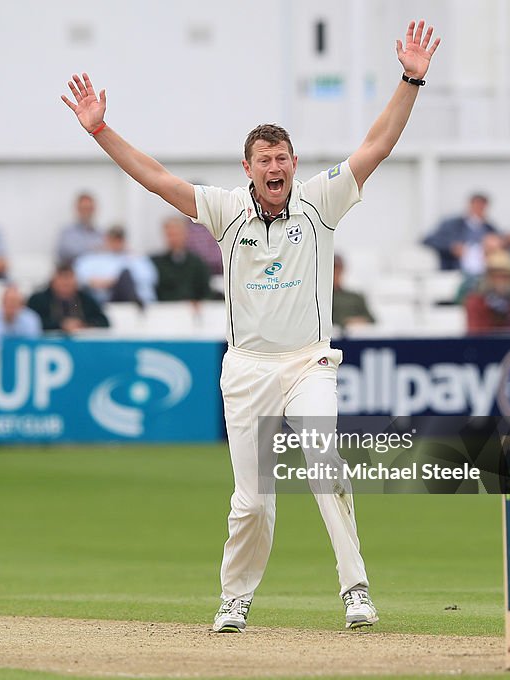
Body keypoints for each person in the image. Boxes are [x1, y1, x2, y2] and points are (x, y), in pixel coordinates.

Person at [61, 18, 440, 633]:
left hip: (308, 361)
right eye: (264, 159)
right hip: (247, 368)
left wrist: (410, 80)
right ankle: (235, 597)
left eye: (282, 158)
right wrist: (101, 129)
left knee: (326, 468)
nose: (275, 167)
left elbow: (377, 145)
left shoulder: (320, 200)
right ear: (248, 167)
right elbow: (158, 180)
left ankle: (356, 590)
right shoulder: (226, 209)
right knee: (252, 501)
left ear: (292, 163)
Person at [423, 192, 510, 273]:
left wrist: (505, 242)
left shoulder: (490, 228)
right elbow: (428, 240)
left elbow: (501, 247)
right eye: (476, 205)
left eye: (482, 206)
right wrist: (452, 248)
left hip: (484, 273)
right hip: (456, 271)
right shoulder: (451, 225)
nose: (479, 209)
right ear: (470, 205)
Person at [74, 226, 158, 304]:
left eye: (119, 239)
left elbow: (150, 279)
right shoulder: (93, 259)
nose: (116, 243)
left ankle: (134, 299)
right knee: (125, 275)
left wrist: (116, 281)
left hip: (130, 297)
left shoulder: (137, 259)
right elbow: (79, 278)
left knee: (125, 274)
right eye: (113, 239)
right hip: (105, 298)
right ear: (106, 239)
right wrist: (99, 282)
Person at [27, 263, 110, 333]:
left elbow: (104, 322)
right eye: (62, 278)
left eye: (69, 278)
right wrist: (61, 325)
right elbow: (32, 323)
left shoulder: (86, 300)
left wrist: (83, 324)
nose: (66, 283)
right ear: (53, 280)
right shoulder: (38, 300)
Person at [464, 250, 510, 335]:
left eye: (505, 277)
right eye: (496, 276)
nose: (500, 281)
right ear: (488, 278)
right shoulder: (475, 303)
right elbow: (474, 336)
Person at [152, 216, 212, 302]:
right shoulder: (156, 263)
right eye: (170, 235)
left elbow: (205, 291)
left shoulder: (197, 263)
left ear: (185, 234)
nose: (173, 238)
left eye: (176, 234)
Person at [56, 192, 104, 263]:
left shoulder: (101, 233)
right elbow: (65, 252)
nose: (87, 212)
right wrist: (94, 249)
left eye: (89, 209)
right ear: (77, 209)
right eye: (84, 209)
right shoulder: (67, 233)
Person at [331, 254, 375, 330]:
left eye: (337, 270)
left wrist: (355, 321)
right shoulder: (319, 300)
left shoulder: (355, 297)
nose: (335, 274)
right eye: (332, 270)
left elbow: (372, 320)